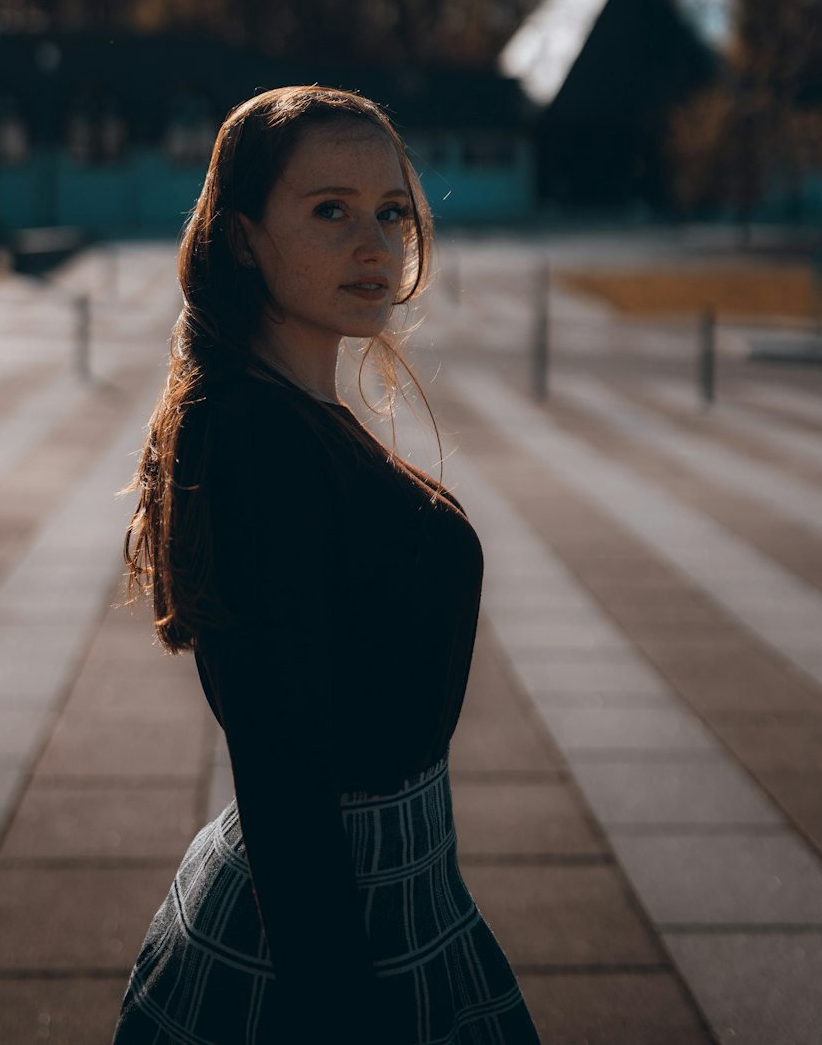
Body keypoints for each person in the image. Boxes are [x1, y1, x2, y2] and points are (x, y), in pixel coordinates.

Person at [112, 85, 540, 1044]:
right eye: (330, 210)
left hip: (398, 890)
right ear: (243, 237)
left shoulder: (278, 410)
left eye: (392, 212)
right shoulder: (258, 444)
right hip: (333, 933)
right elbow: (285, 780)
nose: (376, 244)